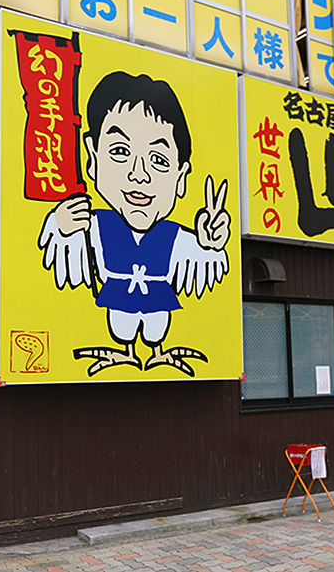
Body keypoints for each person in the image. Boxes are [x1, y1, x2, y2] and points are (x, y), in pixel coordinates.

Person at [39, 71, 231, 377]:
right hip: (118, 293)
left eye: (159, 160)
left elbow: (201, 262)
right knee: (122, 322)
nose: (138, 174)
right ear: (93, 155)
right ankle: (126, 351)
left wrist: (209, 245)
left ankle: (157, 351)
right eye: (120, 151)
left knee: (157, 323)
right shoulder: (93, 225)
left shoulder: (174, 235)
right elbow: (66, 246)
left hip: (157, 295)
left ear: (181, 176)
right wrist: (61, 226)